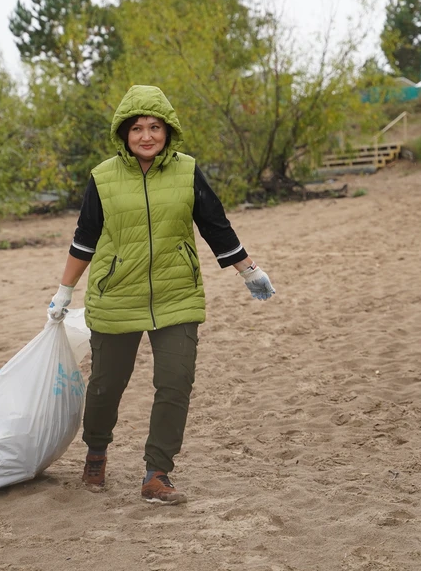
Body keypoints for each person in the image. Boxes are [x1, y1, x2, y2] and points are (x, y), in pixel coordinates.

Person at [47, 84, 275, 505]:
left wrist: (249, 270)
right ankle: (96, 451)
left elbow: (215, 225)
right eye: (137, 128)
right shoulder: (103, 177)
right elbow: (85, 239)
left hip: (177, 295)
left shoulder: (187, 171)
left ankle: (157, 472)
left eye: (154, 127)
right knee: (105, 387)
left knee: (175, 383)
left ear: (168, 131)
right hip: (117, 295)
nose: (146, 136)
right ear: (123, 134)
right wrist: (64, 290)